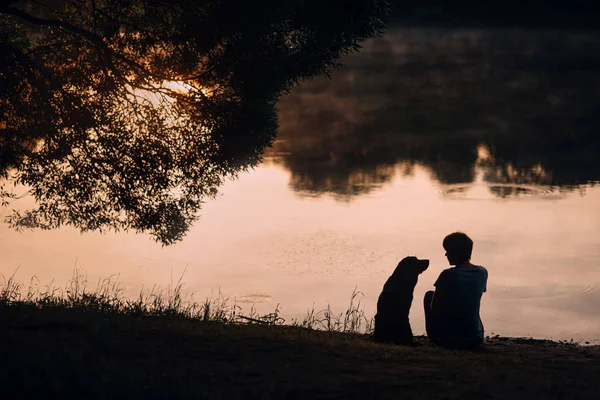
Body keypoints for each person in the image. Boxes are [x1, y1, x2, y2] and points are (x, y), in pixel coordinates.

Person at [424, 232, 488, 348]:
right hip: (475, 338)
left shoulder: (447, 275)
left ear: (454, 253)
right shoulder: (482, 272)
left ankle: (437, 337)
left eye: (447, 251)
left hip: (449, 340)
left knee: (429, 295)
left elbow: (435, 308)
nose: (445, 255)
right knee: (470, 300)